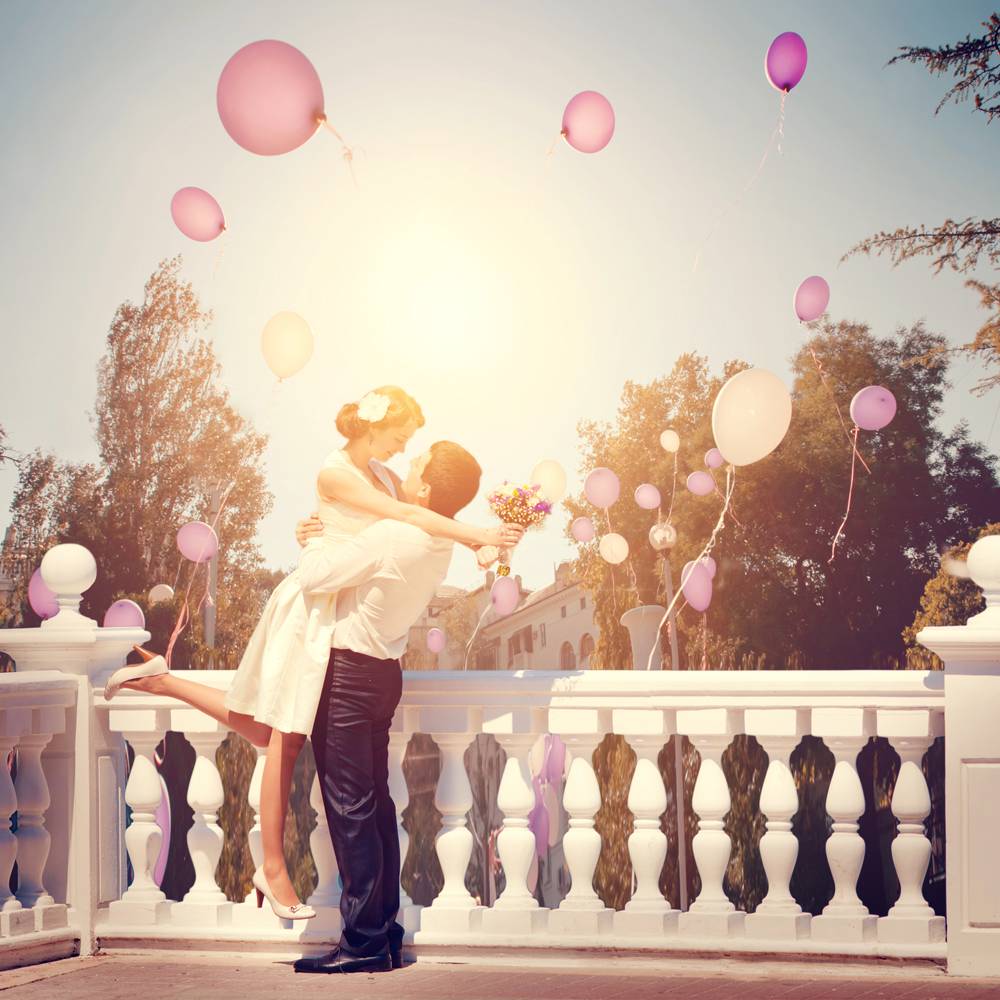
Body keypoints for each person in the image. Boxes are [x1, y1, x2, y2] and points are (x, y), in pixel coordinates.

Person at [103, 387, 520, 922]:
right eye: (401, 436)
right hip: (313, 603)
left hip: (335, 604)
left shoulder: (387, 475)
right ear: (376, 425)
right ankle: (272, 866)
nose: (403, 448)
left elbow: (412, 514)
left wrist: (482, 545)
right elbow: (400, 518)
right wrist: (476, 535)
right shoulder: (336, 471)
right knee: (283, 734)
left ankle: (162, 680)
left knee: (266, 729)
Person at [292, 440, 493, 974]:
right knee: (376, 807)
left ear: (425, 488)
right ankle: (382, 932)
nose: (406, 467)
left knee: (352, 809)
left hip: (350, 676)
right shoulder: (436, 542)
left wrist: (310, 541)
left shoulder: (394, 534)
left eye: (416, 464)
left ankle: (361, 943)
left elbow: (314, 579)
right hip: (383, 674)